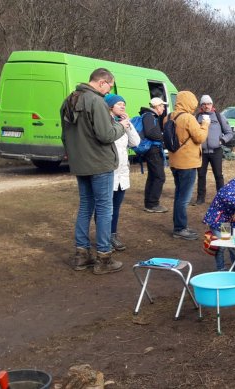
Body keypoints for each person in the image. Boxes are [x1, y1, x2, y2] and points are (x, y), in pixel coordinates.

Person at [60, 68, 126, 274]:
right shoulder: (96, 101)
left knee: (85, 206)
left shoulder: (68, 100)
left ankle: (81, 255)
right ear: (102, 82)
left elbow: (65, 136)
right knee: (105, 209)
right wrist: (122, 126)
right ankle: (104, 257)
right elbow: (106, 135)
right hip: (99, 163)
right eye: (110, 85)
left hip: (81, 164)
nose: (109, 91)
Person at [167, 91, 209, 240]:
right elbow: (200, 137)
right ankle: (180, 229)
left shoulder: (170, 116)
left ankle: (180, 226)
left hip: (174, 161)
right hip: (187, 163)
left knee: (179, 194)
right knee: (183, 198)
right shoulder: (188, 118)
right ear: (189, 102)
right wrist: (205, 125)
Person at [103, 93, 141, 252]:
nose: (123, 106)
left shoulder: (123, 123)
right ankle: (103, 239)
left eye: (124, 104)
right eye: (119, 104)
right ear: (110, 106)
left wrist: (129, 125)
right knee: (105, 208)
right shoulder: (105, 122)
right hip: (107, 171)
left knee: (116, 207)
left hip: (122, 173)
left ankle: (112, 235)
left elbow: (136, 142)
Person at [193, 95, 233, 206]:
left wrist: (222, 140)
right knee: (201, 175)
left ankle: (221, 199)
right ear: (201, 106)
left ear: (212, 104)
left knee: (218, 175)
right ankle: (200, 198)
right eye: (204, 104)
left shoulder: (219, 117)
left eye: (209, 104)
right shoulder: (197, 118)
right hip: (202, 152)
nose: (207, 106)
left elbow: (229, 133)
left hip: (216, 151)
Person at [140, 97, 169, 213]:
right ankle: (153, 204)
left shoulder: (150, 116)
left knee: (153, 176)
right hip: (153, 150)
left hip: (153, 149)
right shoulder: (149, 116)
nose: (163, 108)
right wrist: (163, 137)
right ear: (156, 106)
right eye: (162, 106)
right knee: (159, 177)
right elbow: (150, 132)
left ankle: (149, 203)